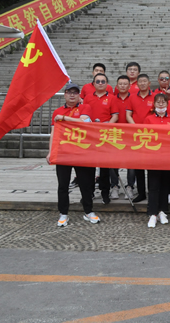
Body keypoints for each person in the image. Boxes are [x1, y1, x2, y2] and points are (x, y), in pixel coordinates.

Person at [46, 83, 97, 227]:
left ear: (79, 95)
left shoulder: (85, 108)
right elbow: (54, 133)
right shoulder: (57, 111)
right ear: (65, 95)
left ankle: (88, 211)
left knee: (85, 184)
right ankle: (63, 213)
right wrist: (50, 151)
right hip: (64, 152)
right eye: (69, 92)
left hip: (81, 152)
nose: (72, 95)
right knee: (63, 184)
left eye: (75, 92)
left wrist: (64, 118)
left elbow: (84, 122)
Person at [85, 73, 119, 204]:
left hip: (105, 134)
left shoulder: (112, 98)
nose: (100, 83)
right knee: (89, 166)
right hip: (90, 135)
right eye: (98, 81)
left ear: (107, 84)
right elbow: (84, 115)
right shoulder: (88, 97)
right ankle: (89, 192)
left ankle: (105, 192)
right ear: (93, 84)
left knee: (105, 166)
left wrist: (107, 126)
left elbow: (115, 116)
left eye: (103, 81)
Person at [143, 94, 170, 227]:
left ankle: (162, 211)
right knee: (154, 186)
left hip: (168, 156)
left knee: (165, 185)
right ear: (154, 104)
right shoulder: (148, 119)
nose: (161, 105)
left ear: (167, 104)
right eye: (158, 102)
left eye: (163, 102)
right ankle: (152, 213)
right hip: (153, 157)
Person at [125, 73, 154, 202]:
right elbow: (128, 115)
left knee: (152, 166)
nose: (142, 83)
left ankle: (153, 191)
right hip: (136, 135)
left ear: (149, 83)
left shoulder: (155, 97)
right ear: (137, 84)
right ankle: (141, 192)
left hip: (151, 135)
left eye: (144, 81)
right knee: (138, 165)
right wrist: (135, 127)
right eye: (140, 81)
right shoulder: (132, 97)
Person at [114, 75, 133, 199]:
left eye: (125, 84)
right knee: (113, 161)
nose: (122, 86)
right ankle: (114, 186)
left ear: (129, 86)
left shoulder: (133, 99)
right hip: (115, 133)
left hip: (130, 133)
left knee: (131, 162)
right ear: (117, 85)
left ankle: (130, 186)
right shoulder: (112, 99)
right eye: (120, 84)